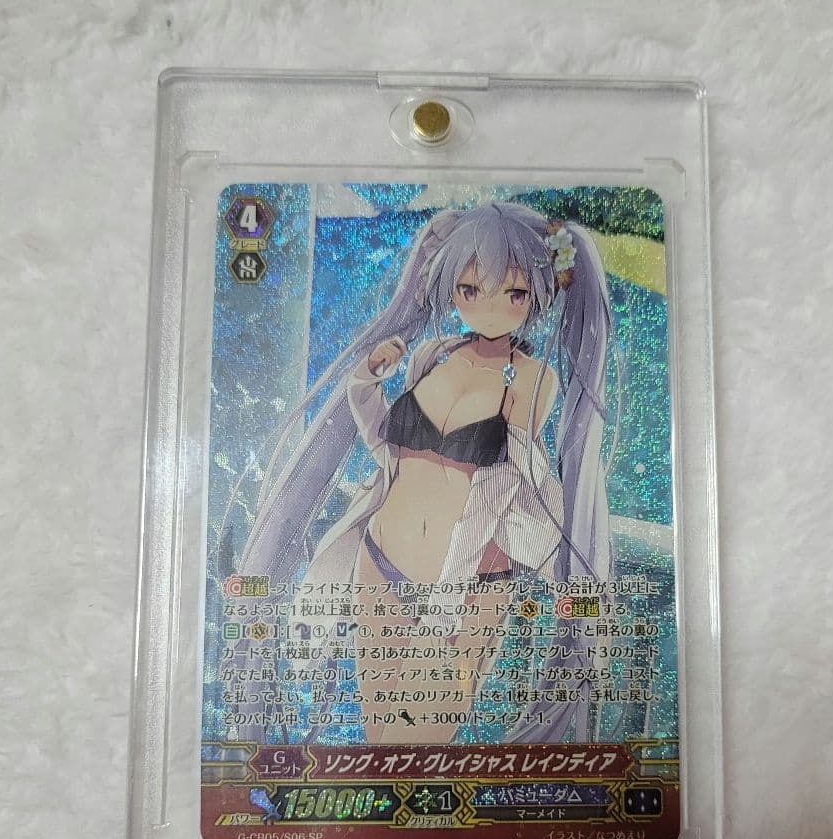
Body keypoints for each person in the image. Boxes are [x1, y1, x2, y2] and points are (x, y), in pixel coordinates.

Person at [234, 201, 612, 744]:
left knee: (418, 743)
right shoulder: (431, 355)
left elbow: (507, 486)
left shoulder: (533, 378)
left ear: (539, 292)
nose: (489, 308)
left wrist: (463, 588)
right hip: (380, 559)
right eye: (469, 289)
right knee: (380, 738)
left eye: (513, 293)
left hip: (464, 586)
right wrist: (365, 381)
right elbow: (388, 446)